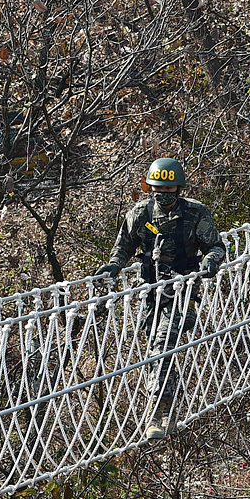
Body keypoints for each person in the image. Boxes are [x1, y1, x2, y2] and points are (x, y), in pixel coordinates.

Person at [95, 157, 226, 440]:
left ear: (178, 189)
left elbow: (215, 246)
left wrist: (210, 262)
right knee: (154, 347)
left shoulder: (195, 214)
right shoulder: (140, 214)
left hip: (183, 290)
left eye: (168, 191)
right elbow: (124, 247)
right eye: (157, 189)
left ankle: (159, 409)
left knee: (162, 344)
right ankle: (170, 405)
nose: (162, 195)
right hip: (150, 292)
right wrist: (114, 266)